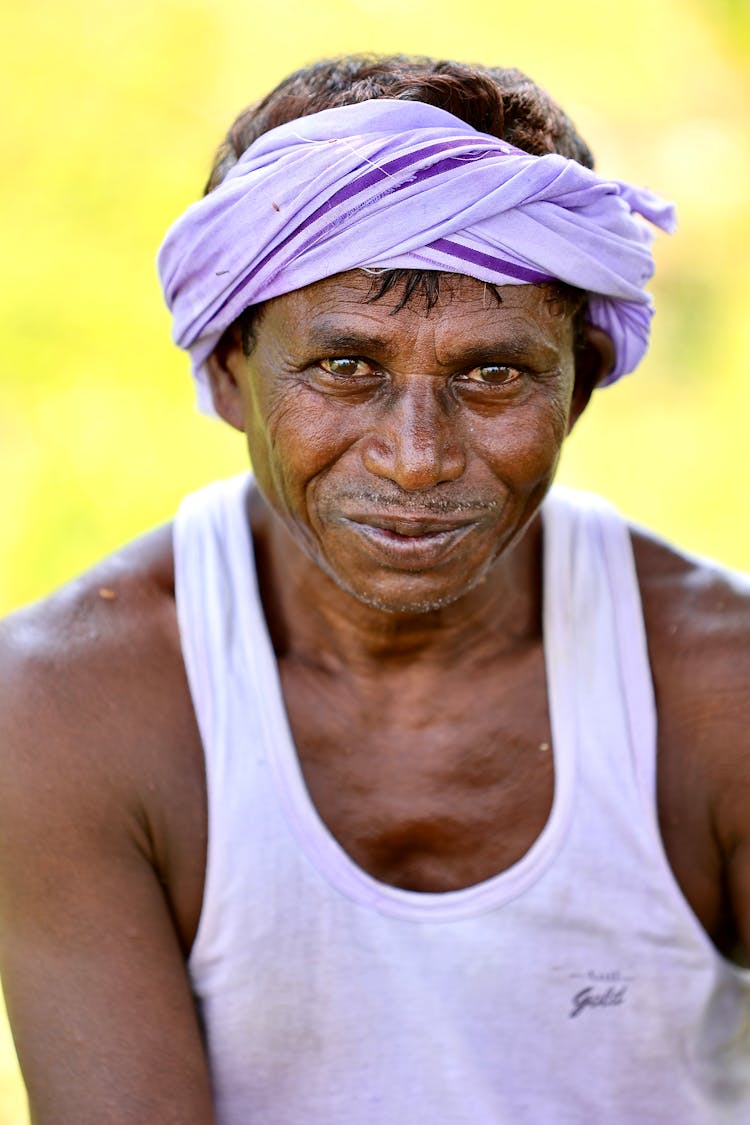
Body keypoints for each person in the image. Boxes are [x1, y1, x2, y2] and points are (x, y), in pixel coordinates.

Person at [0, 53, 748, 1124]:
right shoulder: (71, 711)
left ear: (577, 387)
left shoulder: (720, 688)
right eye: (345, 367)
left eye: (492, 373)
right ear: (228, 371)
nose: (414, 458)